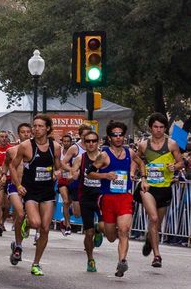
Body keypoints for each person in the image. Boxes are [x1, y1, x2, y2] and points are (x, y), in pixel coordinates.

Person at [9, 115, 61, 277]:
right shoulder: (26, 146)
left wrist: (58, 173)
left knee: (45, 228)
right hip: (31, 191)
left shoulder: (55, 147)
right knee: (35, 222)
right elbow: (12, 165)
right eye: (35, 126)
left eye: (40, 126)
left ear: (47, 128)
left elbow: (58, 167)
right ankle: (24, 223)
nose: (36, 129)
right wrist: (18, 185)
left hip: (47, 192)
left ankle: (36, 263)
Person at [137, 113, 184, 268]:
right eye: (155, 127)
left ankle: (150, 239)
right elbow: (136, 160)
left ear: (165, 128)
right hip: (148, 187)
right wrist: (135, 174)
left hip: (164, 187)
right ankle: (157, 256)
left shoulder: (172, 144)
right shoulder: (144, 145)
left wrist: (174, 166)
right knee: (154, 219)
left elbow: (180, 162)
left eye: (161, 127)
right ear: (151, 127)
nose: (158, 130)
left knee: (156, 224)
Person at [93, 122, 139, 277]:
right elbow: (89, 173)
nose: (118, 138)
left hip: (124, 197)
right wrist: (105, 175)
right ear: (109, 137)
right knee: (112, 237)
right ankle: (98, 228)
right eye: (115, 135)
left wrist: (142, 176)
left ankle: (122, 262)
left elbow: (141, 163)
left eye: (121, 135)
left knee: (124, 231)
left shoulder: (130, 152)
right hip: (108, 198)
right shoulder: (104, 155)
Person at [66, 130, 106, 272]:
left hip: (102, 197)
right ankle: (90, 259)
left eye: (93, 141)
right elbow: (73, 172)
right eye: (87, 141)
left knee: (104, 227)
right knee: (88, 233)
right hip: (86, 198)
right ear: (84, 142)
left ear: (98, 142)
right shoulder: (80, 158)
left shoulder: (104, 157)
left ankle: (98, 229)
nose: (90, 144)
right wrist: (73, 175)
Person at [5, 123, 32, 265]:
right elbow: (6, 164)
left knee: (31, 220)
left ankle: (25, 227)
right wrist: (3, 175)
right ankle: (18, 246)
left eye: (28, 132)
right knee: (20, 214)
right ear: (18, 134)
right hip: (15, 186)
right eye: (23, 132)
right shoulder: (11, 150)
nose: (26, 134)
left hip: (31, 188)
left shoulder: (35, 150)